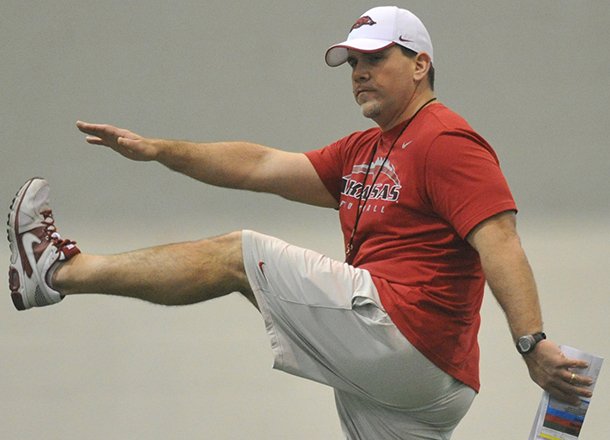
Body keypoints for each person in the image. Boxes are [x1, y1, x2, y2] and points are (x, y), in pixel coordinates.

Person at [7, 6, 592, 440]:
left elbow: (502, 242)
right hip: (430, 385)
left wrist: (532, 344)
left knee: (237, 255)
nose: (359, 72)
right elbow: (260, 165)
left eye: (376, 58)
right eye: (353, 63)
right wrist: (160, 149)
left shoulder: (447, 141)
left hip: (405, 334)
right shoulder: (367, 148)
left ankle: (58, 272)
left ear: (420, 64)